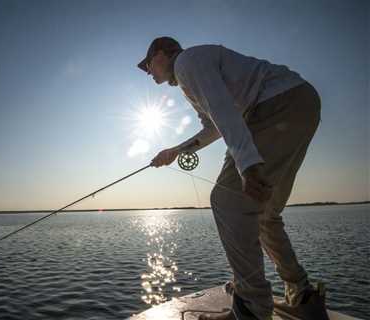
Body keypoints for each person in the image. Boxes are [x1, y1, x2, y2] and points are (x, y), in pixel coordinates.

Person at [138, 37, 328, 320]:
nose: (149, 73)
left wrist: (248, 166)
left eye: (148, 65)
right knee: (265, 214)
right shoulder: (195, 70)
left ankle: (251, 308)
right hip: (301, 102)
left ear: (162, 54)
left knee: (227, 200)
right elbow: (214, 126)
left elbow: (223, 111)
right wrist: (177, 150)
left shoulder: (187, 62)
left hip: (273, 106)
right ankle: (303, 297)